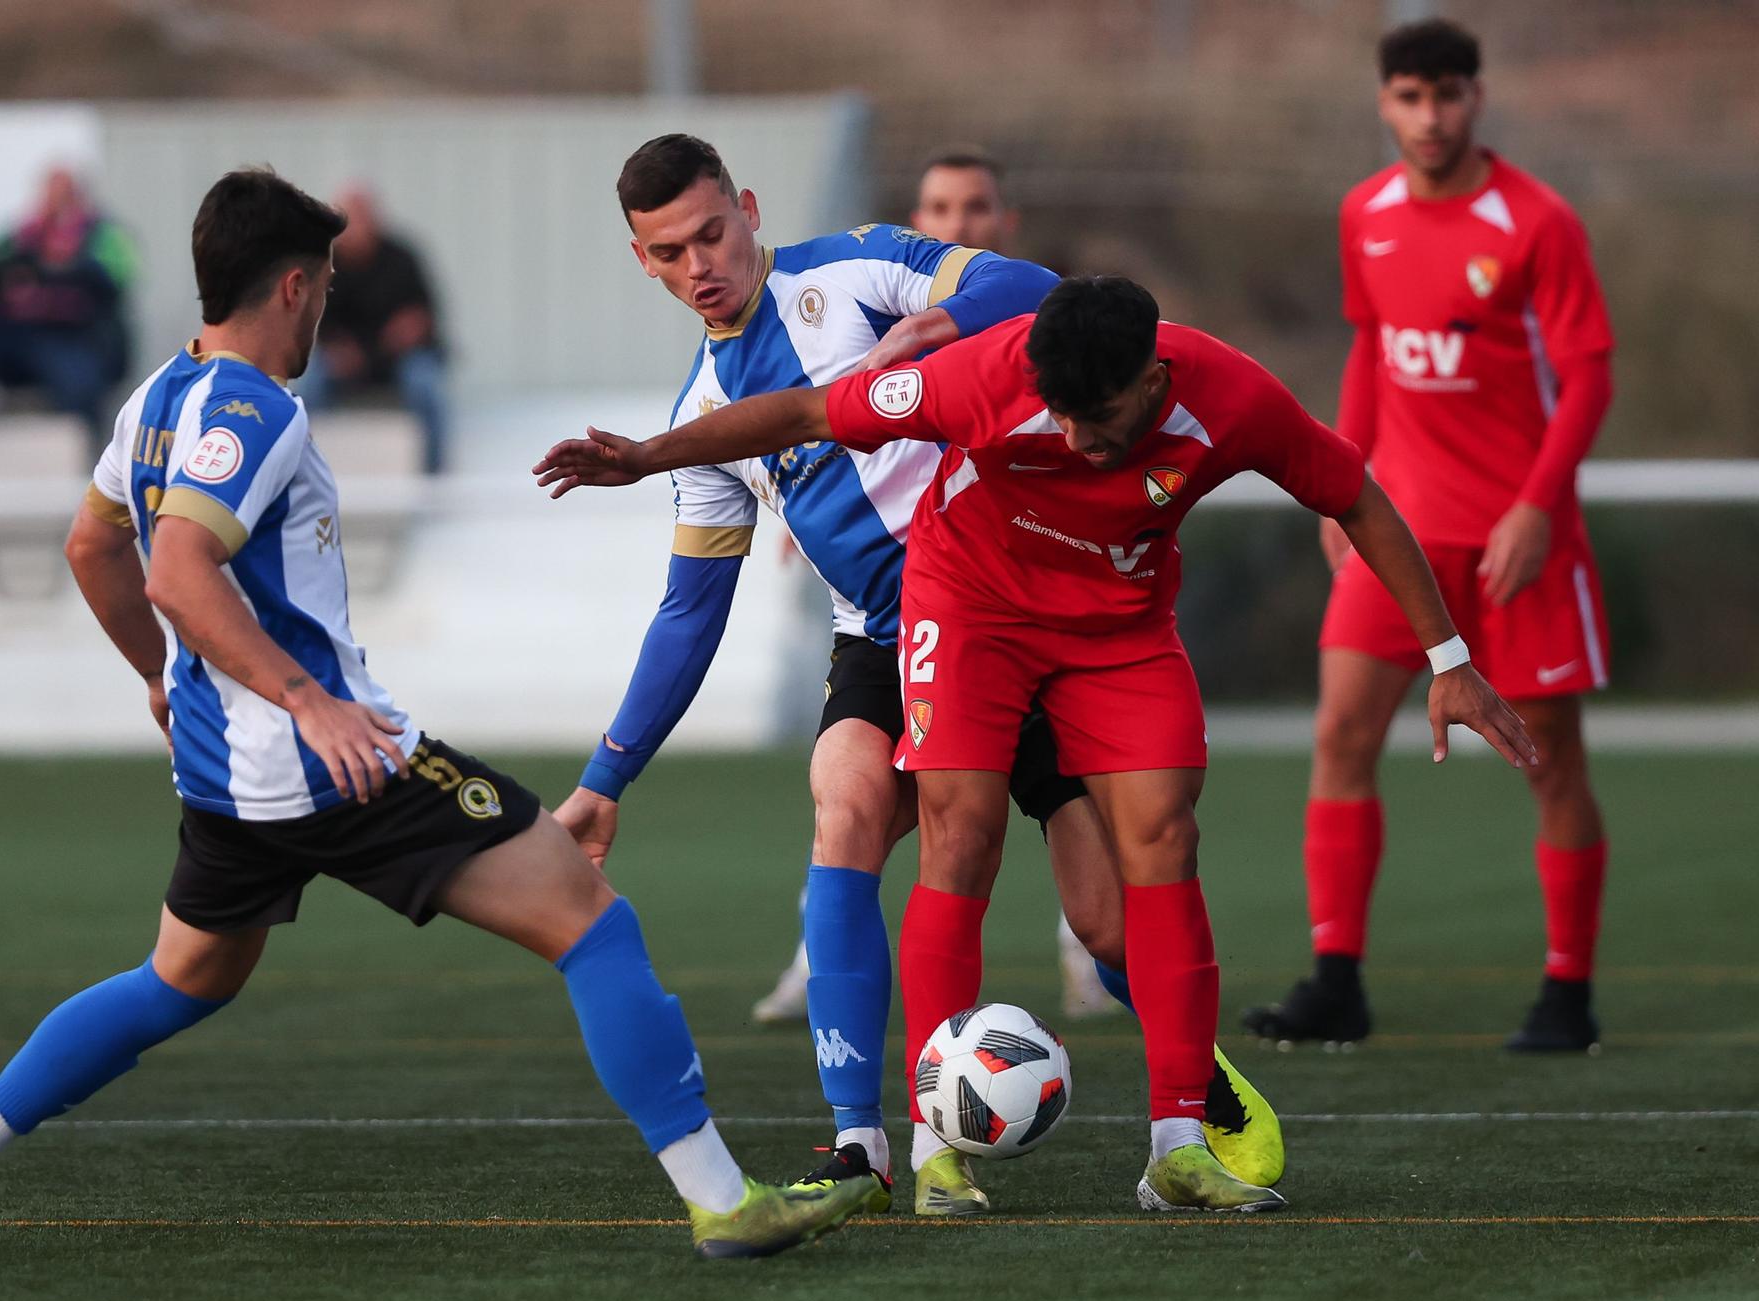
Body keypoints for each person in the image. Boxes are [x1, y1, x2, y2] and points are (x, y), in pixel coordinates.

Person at [0, 168, 876, 1261]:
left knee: (179, 977)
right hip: (334, 761)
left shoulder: (155, 396)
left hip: (223, 782)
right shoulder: (257, 411)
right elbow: (176, 569)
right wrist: (305, 698)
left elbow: (91, 546)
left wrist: (159, 681)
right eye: (329, 284)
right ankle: (723, 1199)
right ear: (293, 286)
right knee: (592, 919)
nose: (328, 304)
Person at [535, 274, 1540, 1212]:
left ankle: (1176, 1145)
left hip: (1117, 630)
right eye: (1053, 411)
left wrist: (1446, 654)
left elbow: (1352, 493)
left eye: (1093, 419)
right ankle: (937, 1151)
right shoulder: (983, 374)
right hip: (968, 607)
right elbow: (806, 413)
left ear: (1150, 379)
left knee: (1162, 841)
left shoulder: (1230, 398)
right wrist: (644, 456)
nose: (1069, 435)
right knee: (957, 831)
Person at [552, 136, 1283, 1219]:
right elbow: (688, 613)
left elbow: (1026, 290)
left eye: (712, 230)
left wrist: (932, 326)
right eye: (670, 251)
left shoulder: (852, 271)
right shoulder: (704, 416)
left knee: (1103, 922)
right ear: (642, 262)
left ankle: (1198, 1089)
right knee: (843, 805)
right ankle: (865, 1145)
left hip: (1017, 612)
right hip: (882, 646)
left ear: (747, 208)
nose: (700, 261)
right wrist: (606, 774)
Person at [1242, 19, 1616, 1054]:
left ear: (1475, 99)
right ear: (1383, 104)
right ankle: (1335, 980)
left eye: (1445, 94)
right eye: (1408, 96)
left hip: (1516, 545)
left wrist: (1537, 505)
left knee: (1546, 766)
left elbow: (1586, 373)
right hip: (1399, 534)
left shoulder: (1536, 221)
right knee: (1341, 736)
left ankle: (1565, 992)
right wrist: (1339, 483)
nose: (1428, 116)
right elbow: (1369, 350)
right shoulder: (1362, 212)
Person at [753, 144, 1120, 1027]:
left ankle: (1128, 1001)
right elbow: (852, 429)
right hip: (910, 627)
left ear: (1002, 225)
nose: (958, 224)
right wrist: (815, 517)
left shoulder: (1048, 335)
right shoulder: (882, 315)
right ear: (921, 229)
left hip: (1039, 605)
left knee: (1102, 858)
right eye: (941, 211)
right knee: (871, 815)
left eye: (975, 209)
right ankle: (864, 1056)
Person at [0, 168, 136, 453]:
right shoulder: (24, 234)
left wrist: (73, 265)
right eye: (51, 195)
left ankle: (95, 451)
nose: (56, 203)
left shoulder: (103, 235)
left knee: (81, 378)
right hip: (15, 336)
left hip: (68, 338)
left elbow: (123, 275)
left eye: (64, 195)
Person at [294, 186, 449, 473]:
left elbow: (425, 317)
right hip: (346, 361)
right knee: (309, 386)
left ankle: (434, 475)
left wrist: (406, 333)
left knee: (425, 384)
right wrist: (338, 350)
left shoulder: (402, 257)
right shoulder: (324, 264)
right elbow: (314, 323)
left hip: (399, 358)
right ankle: (303, 469)